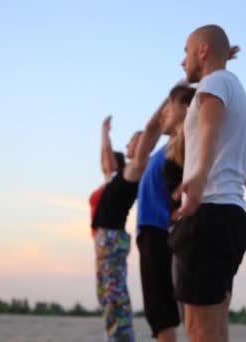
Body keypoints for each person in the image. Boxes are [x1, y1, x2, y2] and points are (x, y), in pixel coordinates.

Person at [169, 25, 246, 342]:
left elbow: (208, 129)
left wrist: (198, 179)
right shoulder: (234, 86)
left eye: (186, 51)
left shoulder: (214, 83)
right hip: (230, 216)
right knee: (215, 326)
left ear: (202, 50)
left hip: (208, 214)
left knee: (198, 329)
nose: (182, 61)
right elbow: (242, 162)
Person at [135, 83, 195, 342]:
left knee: (162, 312)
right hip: (151, 231)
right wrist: (171, 98)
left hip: (159, 230)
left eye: (169, 108)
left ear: (184, 109)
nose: (163, 114)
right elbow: (151, 130)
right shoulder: (166, 147)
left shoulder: (184, 144)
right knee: (159, 312)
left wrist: (180, 94)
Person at [91, 113, 155, 341]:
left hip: (111, 238)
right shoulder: (122, 174)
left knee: (113, 295)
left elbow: (143, 146)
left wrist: (105, 132)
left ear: (139, 145)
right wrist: (104, 133)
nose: (127, 144)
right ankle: (117, 337)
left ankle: (121, 338)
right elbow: (106, 159)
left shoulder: (135, 170)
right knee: (108, 295)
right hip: (107, 239)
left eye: (131, 140)